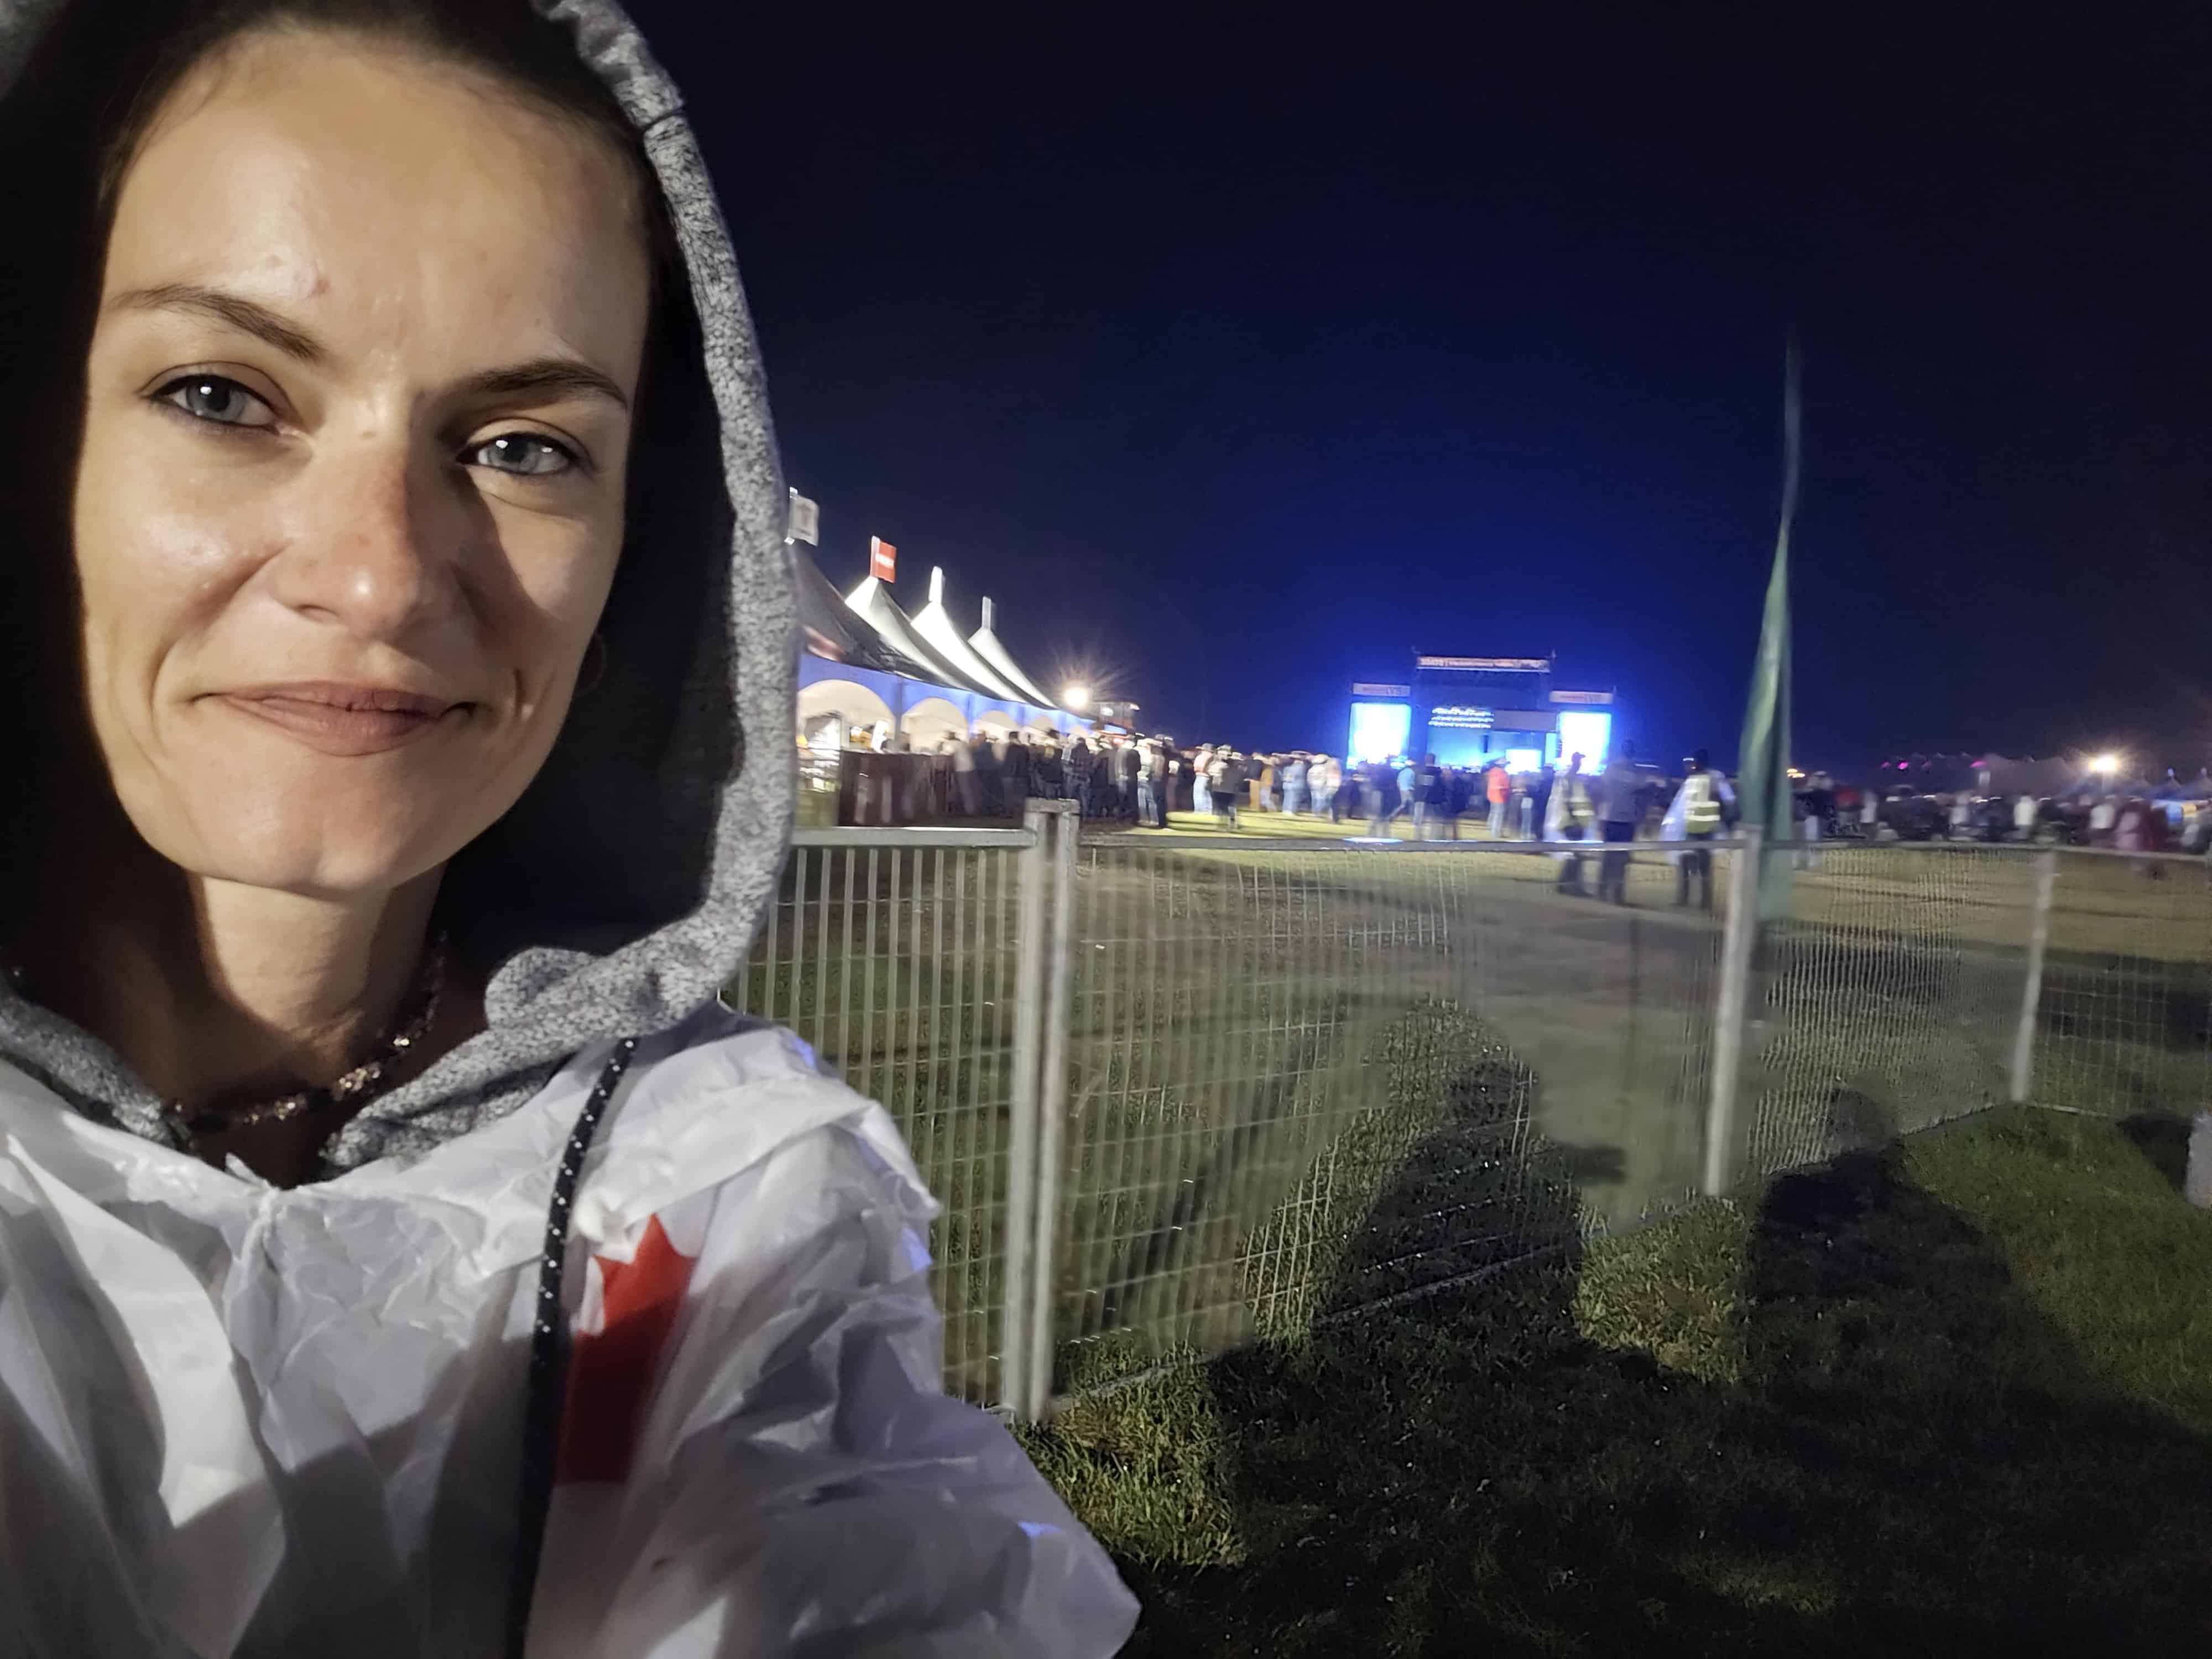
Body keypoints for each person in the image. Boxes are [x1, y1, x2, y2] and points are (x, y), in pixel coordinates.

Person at [0, 1, 1137, 1652]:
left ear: (639, 565)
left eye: (523, 447)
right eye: (222, 393)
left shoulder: (720, 1191)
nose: (382, 574)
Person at [1660, 750, 1734, 908]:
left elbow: (1728, 801)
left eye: (1698, 761)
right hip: (1691, 828)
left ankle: (1703, 901)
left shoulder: (1714, 778)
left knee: (1702, 866)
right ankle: (1689, 899)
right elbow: (1683, 805)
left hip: (1705, 830)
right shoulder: (1695, 779)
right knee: (1687, 863)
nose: (1696, 764)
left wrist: (1724, 820)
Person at [1594, 746, 1641, 904]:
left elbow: (1601, 790)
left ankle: (1602, 891)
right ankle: (1617, 895)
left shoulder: (1611, 768)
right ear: (1633, 753)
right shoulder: (1635, 771)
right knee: (1621, 859)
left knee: (1607, 857)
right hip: (1626, 821)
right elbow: (1641, 791)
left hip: (1609, 818)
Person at [1545, 754, 1595, 894]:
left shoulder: (1569, 776)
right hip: (1574, 822)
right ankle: (1572, 886)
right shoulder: (1570, 777)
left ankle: (1564, 884)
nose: (1580, 763)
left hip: (1574, 821)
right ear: (1575, 761)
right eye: (1579, 761)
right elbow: (1568, 800)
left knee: (1573, 855)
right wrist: (1574, 819)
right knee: (1576, 856)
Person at [1411, 753, 1442, 838]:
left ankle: (1417, 837)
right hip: (1433, 799)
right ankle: (1432, 838)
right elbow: (1439, 787)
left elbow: (1416, 784)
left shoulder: (1419, 771)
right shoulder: (1438, 772)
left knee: (1418, 820)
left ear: (1425, 760)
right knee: (1433, 819)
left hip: (1420, 798)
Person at [1485, 760, 1511, 838]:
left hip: (1492, 795)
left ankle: (1491, 827)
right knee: (1498, 815)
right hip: (1500, 796)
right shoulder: (1501, 773)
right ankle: (1496, 833)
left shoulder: (1492, 772)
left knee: (1494, 812)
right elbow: (1502, 785)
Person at [1282, 752, 1311, 816]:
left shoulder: (1287, 767)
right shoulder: (1301, 767)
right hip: (1296, 784)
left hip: (1287, 784)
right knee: (1294, 798)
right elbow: (1298, 776)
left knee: (1287, 798)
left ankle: (1286, 809)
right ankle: (1291, 810)